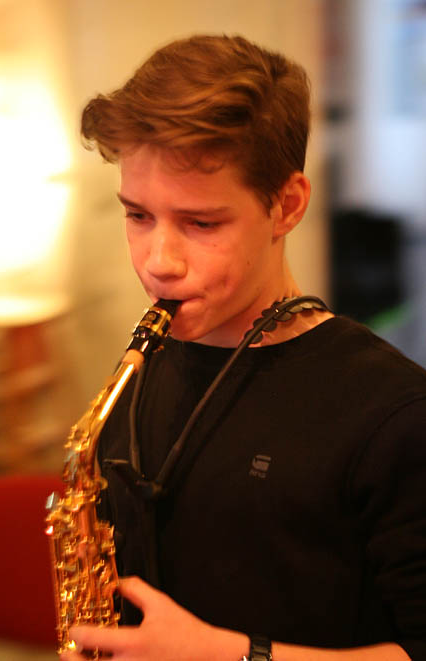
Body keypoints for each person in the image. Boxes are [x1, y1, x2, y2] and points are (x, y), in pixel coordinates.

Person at [62, 35, 426, 660]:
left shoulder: (394, 411)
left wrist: (227, 654)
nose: (158, 261)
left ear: (287, 205)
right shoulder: (139, 374)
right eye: (138, 215)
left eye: (200, 223)